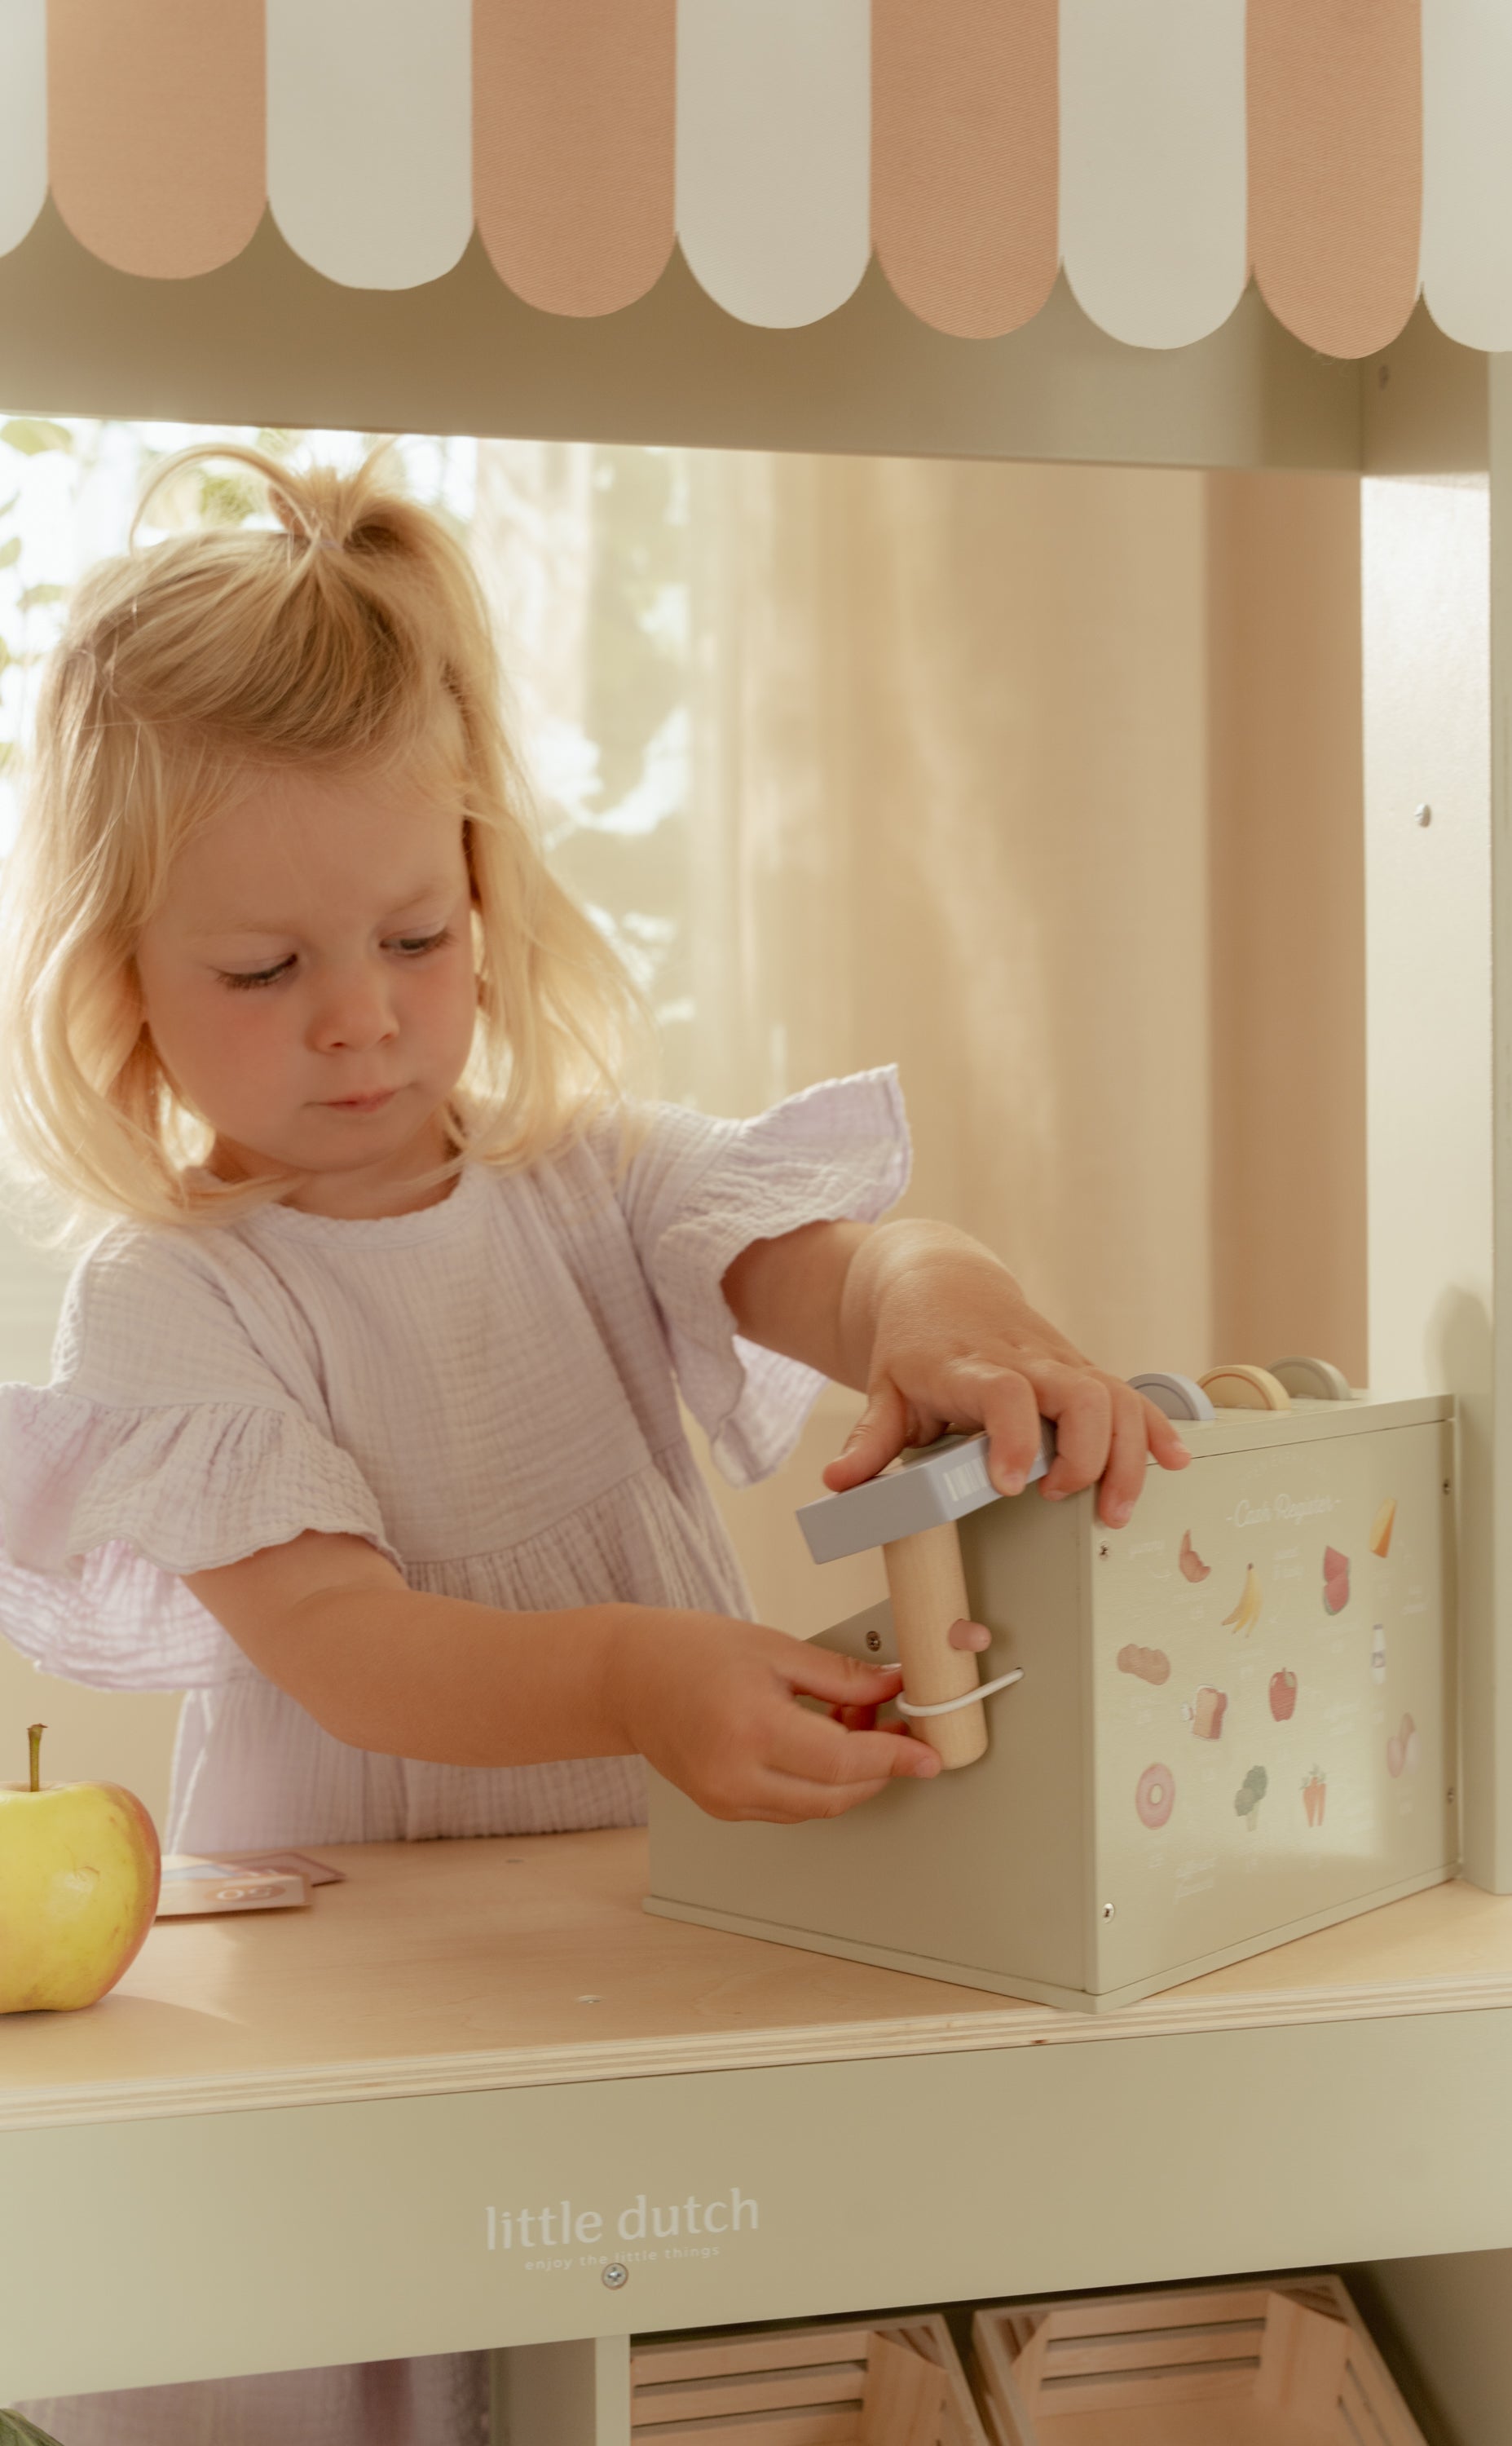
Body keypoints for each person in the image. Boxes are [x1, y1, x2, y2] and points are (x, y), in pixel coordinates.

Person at [0, 443, 1188, 2445]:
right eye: (266, 971)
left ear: (484, 889)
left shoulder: (601, 1184)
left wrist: (947, 1318)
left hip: (662, 1944)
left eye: (415, 935)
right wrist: (639, 1673)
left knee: (705, 2364)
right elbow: (352, 1646)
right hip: (370, 2011)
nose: (362, 1022)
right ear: (124, 991)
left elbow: (848, 1260)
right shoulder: (170, 1300)